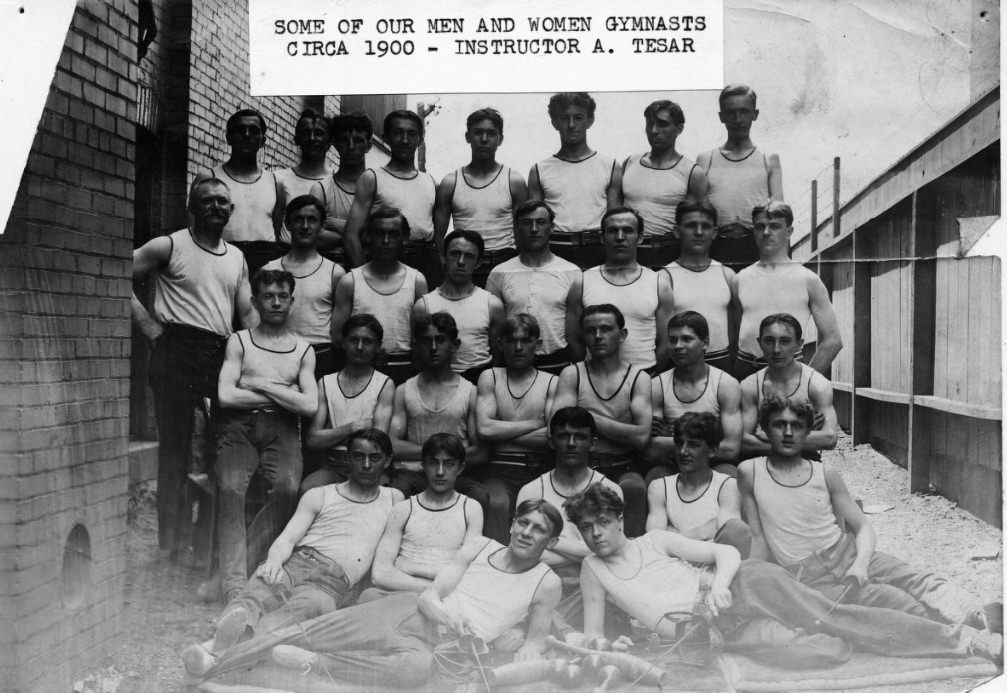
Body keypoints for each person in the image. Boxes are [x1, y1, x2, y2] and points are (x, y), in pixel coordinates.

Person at [568, 483, 1002, 667]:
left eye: (601, 523)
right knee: (821, 651)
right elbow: (590, 632)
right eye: (586, 528)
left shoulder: (654, 541)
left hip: (741, 586)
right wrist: (598, 642)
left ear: (619, 518)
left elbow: (723, 551)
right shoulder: (592, 568)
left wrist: (718, 583)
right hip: (707, 631)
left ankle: (963, 641)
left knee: (832, 616)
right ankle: (848, 627)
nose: (595, 534)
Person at [190, 499, 565, 687]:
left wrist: (512, 644)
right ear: (513, 523)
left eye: (539, 529)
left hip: (443, 648)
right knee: (309, 631)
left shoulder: (547, 582)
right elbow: (430, 596)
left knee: (415, 670)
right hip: (413, 613)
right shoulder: (479, 547)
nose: (527, 533)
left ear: (553, 540)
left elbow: (534, 639)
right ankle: (216, 666)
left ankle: (315, 662)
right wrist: (449, 615)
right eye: (524, 523)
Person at [738, 396, 1002, 636]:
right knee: (894, 602)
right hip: (810, 575)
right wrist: (756, 586)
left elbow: (863, 527)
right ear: (763, 429)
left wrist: (861, 563)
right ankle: (966, 636)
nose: (787, 432)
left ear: (808, 432)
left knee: (915, 578)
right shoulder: (750, 472)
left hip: (847, 551)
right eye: (778, 424)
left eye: (796, 426)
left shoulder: (824, 474)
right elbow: (759, 537)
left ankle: (979, 615)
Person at [181, 429, 403, 678]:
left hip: (331, 583)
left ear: (387, 460)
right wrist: (275, 561)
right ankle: (227, 641)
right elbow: (288, 538)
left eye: (374, 458)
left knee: (305, 609)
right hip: (297, 561)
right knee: (259, 589)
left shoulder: (394, 499)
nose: (365, 465)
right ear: (347, 458)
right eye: (358, 456)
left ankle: (216, 654)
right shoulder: (321, 494)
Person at [130, 177, 254, 563]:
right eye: (207, 201)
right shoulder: (170, 245)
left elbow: (247, 312)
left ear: (231, 210)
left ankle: (205, 540)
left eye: (222, 201)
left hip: (219, 353)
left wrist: (257, 354)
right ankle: (171, 542)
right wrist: (148, 326)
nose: (216, 207)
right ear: (192, 207)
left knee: (218, 450)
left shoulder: (236, 257)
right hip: (176, 351)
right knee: (176, 451)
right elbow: (111, 271)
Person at [214, 268, 318, 602]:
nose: (276, 302)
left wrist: (258, 383)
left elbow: (309, 405)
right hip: (239, 427)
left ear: (291, 300)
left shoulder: (303, 350)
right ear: (256, 301)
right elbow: (227, 396)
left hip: (283, 428)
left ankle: (248, 568)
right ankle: (232, 586)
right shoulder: (240, 341)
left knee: (288, 488)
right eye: (268, 296)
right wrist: (283, 392)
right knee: (230, 488)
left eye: (282, 296)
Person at [554, 304, 652, 537]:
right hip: (578, 467)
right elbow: (559, 425)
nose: (598, 336)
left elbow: (641, 437)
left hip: (623, 465)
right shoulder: (572, 374)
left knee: (635, 488)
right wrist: (620, 428)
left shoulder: (638, 378)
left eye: (606, 329)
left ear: (622, 335)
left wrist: (587, 415)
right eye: (590, 331)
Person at [363, 433, 484, 601]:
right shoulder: (403, 509)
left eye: (449, 464)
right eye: (433, 463)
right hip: (405, 593)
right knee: (369, 596)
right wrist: (431, 588)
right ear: (423, 466)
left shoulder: (470, 509)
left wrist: (411, 567)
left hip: (441, 598)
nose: (440, 472)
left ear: (461, 468)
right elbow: (380, 574)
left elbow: (466, 571)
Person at [734, 200, 843, 378]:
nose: (766, 232)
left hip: (789, 370)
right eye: (760, 227)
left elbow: (833, 340)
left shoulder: (808, 279)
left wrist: (804, 382)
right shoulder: (740, 279)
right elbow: (735, 336)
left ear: (789, 232)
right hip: (745, 369)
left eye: (775, 226)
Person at [389, 312, 488, 505]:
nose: (433, 347)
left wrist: (431, 456)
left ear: (454, 345)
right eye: (427, 341)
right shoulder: (404, 390)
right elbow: (392, 445)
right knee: (395, 492)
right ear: (417, 346)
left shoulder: (470, 392)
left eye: (440, 340)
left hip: (456, 477)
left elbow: (480, 451)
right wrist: (447, 451)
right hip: (413, 475)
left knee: (480, 496)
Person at [475, 314, 558, 543]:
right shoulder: (490, 377)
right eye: (511, 341)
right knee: (497, 503)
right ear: (500, 344)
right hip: (499, 470)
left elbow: (552, 438)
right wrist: (535, 423)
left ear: (538, 345)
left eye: (526, 340)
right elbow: (484, 429)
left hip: (539, 468)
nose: (518, 347)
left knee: (543, 510)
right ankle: (496, 566)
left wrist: (502, 432)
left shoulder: (552, 382)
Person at [516, 407, 622, 578]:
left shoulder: (609, 489)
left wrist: (552, 542)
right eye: (563, 436)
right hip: (544, 584)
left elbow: (611, 551)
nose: (571, 443)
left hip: (596, 583)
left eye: (580, 436)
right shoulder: (531, 490)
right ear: (551, 442)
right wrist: (587, 552)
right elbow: (523, 553)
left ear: (593, 444)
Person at [332, 207, 427, 385]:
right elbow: (338, 337)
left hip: (405, 368)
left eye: (393, 234)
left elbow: (421, 336)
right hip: (362, 369)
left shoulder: (417, 281)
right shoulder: (350, 281)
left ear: (404, 238)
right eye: (379, 233)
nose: (385, 240)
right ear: (368, 236)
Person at [486, 200, 583, 375]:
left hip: (556, 364)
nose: (534, 229)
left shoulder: (571, 271)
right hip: (513, 365)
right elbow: (495, 334)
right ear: (516, 228)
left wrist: (579, 374)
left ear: (552, 227)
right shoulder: (499, 273)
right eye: (526, 222)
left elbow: (574, 333)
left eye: (541, 222)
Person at [433, 108, 528, 286]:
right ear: (468, 136)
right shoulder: (450, 182)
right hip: (465, 263)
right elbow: (438, 238)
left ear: (500, 139)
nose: (484, 139)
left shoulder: (513, 180)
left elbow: (523, 232)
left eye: (491, 134)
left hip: (505, 263)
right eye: (478, 133)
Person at [301, 313, 394, 493]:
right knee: (308, 488)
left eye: (367, 341)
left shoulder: (384, 384)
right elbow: (313, 439)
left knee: (381, 495)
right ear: (343, 342)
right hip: (332, 467)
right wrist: (351, 428)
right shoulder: (326, 383)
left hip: (368, 466)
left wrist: (331, 436)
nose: (359, 347)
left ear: (377, 346)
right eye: (354, 340)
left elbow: (379, 441)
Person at [345, 109, 439, 284]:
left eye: (411, 134)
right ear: (385, 137)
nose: (404, 140)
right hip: (385, 258)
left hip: (425, 261)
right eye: (398, 133)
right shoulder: (372, 178)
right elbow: (351, 236)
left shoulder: (430, 182)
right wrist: (365, 279)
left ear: (420, 140)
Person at [576, 206, 675, 373]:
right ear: (602, 237)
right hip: (595, 379)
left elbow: (666, 342)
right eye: (612, 231)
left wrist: (646, 377)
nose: (620, 237)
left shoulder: (659, 283)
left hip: (645, 375)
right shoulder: (583, 281)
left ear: (641, 237)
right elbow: (575, 339)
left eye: (628, 231)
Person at [528, 92, 621, 269]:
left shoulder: (610, 166)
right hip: (554, 251)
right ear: (555, 123)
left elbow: (615, 222)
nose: (571, 125)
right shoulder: (539, 170)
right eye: (564, 118)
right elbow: (534, 223)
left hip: (596, 251)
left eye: (578, 117)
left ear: (590, 120)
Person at [697, 84, 783, 270]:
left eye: (744, 112)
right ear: (721, 116)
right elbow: (699, 211)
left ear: (755, 114)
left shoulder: (768, 158)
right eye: (731, 113)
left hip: (755, 247)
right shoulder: (706, 160)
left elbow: (779, 214)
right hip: (716, 248)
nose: (738, 119)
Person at [648, 311, 742, 476]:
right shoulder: (657, 385)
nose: (678, 346)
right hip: (674, 466)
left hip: (713, 466)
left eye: (687, 339)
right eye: (673, 340)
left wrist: (674, 440)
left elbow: (731, 449)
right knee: (655, 476)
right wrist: (706, 444)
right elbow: (652, 448)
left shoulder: (725, 384)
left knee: (730, 474)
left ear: (705, 343)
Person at [645, 412, 751, 558]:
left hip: (715, 566)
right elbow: (654, 542)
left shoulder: (727, 486)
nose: (683, 451)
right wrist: (706, 531)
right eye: (679, 443)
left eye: (693, 445)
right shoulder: (659, 487)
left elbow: (730, 536)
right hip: (673, 569)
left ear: (712, 450)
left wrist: (675, 535)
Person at [262, 196, 345, 378]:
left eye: (312, 220)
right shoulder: (269, 269)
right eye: (299, 219)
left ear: (322, 226)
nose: (305, 226)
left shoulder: (335, 273)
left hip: (321, 360)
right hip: (278, 357)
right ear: (287, 224)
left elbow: (339, 335)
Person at [194, 108, 281, 276]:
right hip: (220, 259)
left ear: (263, 140)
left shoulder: (275, 181)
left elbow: (277, 231)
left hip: (263, 263)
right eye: (240, 130)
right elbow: (194, 230)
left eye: (254, 131)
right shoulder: (209, 177)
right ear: (228, 137)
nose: (247, 135)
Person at [622, 99, 708, 268]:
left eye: (662, 124)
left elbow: (696, 223)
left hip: (669, 253)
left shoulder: (692, 172)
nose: (654, 131)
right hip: (630, 253)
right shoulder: (629, 163)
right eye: (650, 124)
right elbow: (614, 214)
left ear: (679, 128)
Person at [739, 313, 837, 460]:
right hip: (762, 462)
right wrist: (801, 434)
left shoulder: (817, 383)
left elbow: (829, 439)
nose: (776, 349)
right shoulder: (750, 385)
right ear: (760, 343)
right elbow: (744, 442)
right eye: (769, 341)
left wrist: (768, 434)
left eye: (785, 341)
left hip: (805, 462)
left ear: (799, 344)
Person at [414, 229, 504, 383]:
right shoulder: (424, 305)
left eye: (469, 256)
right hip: (437, 382)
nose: (461, 261)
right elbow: (418, 356)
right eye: (455, 253)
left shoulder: (492, 304)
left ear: (478, 263)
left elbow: (499, 357)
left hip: (481, 382)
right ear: (443, 257)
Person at [666, 198, 737, 373]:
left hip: (722, 363)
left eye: (705, 226)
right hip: (681, 365)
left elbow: (735, 329)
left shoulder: (727, 274)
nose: (698, 232)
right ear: (677, 231)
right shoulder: (664, 277)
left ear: (714, 233)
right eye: (691, 225)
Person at [273, 109, 341, 252]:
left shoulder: (339, 181)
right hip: (287, 256)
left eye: (319, 133)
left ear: (330, 141)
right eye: (306, 132)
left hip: (328, 260)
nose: (312, 138)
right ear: (296, 139)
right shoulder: (278, 179)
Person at [327, 112, 373, 263]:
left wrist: (333, 224)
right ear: (334, 143)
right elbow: (314, 235)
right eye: (344, 140)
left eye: (358, 140)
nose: (351, 146)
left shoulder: (378, 185)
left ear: (369, 145)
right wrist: (354, 236)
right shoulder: (322, 187)